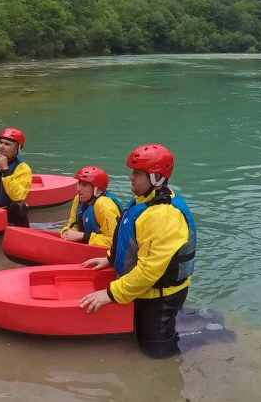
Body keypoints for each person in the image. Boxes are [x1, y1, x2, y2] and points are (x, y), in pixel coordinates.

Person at [79, 144, 196, 359]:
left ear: (156, 178)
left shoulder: (163, 216)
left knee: (156, 352)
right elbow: (132, 241)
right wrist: (110, 259)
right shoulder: (143, 201)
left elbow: (148, 271)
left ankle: (205, 342)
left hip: (161, 297)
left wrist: (110, 294)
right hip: (144, 290)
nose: (130, 177)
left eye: (137, 173)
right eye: (132, 171)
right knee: (138, 335)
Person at [60, 166, 122, 248]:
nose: (78, 188)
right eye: (79, 183)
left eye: (84, 185)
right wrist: (66, 232)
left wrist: (83, 236)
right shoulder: (78, 199)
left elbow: (113, 241)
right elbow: (72, 224)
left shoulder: (104, 205)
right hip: (89, 244)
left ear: (97, 189)